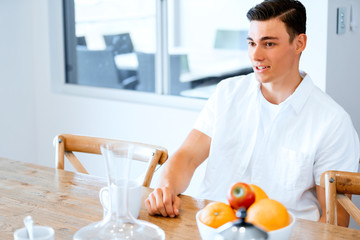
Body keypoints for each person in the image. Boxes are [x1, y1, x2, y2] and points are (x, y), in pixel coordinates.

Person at [145, 0, 359, 227]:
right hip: (212, 228)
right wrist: (165, 188)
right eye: (251, 43)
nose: (255, 55)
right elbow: (186, 157)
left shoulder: (333, 123)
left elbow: (334, 223)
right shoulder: (227, 93)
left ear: (299, 43)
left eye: (268, 44)